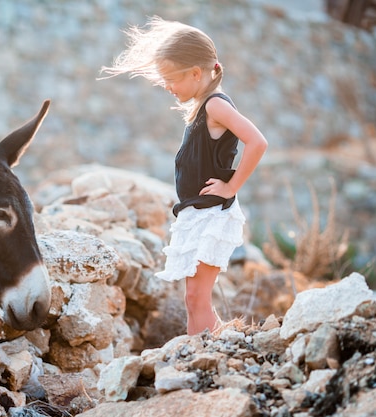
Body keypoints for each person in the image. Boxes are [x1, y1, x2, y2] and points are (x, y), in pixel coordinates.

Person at [100, 16, 268, 335]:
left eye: (171, 79)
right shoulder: (201, 108)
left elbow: (258, 142)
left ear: (195, 73)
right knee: (193, 299)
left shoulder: (216, 106)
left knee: (195, 297)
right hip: (198, 213)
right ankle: (209, 348)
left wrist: (231, 185)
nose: (167, 86)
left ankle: (202, 355)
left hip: (213, 214)